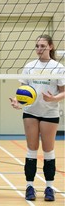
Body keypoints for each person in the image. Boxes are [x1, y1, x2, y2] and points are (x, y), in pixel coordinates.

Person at [10, 34, 65, 201]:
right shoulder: (30, 66)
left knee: (48, 150)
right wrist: (17, 102)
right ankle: (29, 186)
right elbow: (23, 90)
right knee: (31, 149)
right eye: (37, 46)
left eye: (42, 46)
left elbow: (63, 91)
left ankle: (49, 188)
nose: (39, 49)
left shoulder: (58, 67)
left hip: (50, 112)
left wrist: (54, 99)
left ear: (50, 47)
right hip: (31, 112)